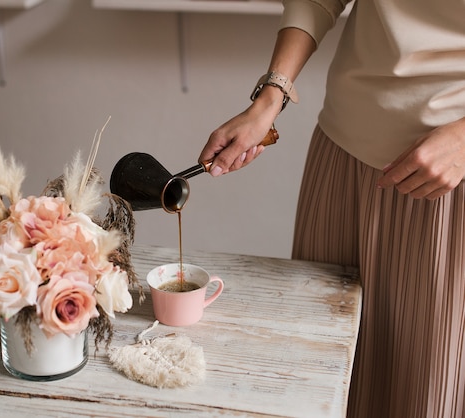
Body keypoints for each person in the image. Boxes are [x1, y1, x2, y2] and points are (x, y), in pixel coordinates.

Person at [198, 0, 465, 417]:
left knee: (424, 388)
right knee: (321, 378)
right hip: (341, 161)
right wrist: (273, 91)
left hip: (449, 186)